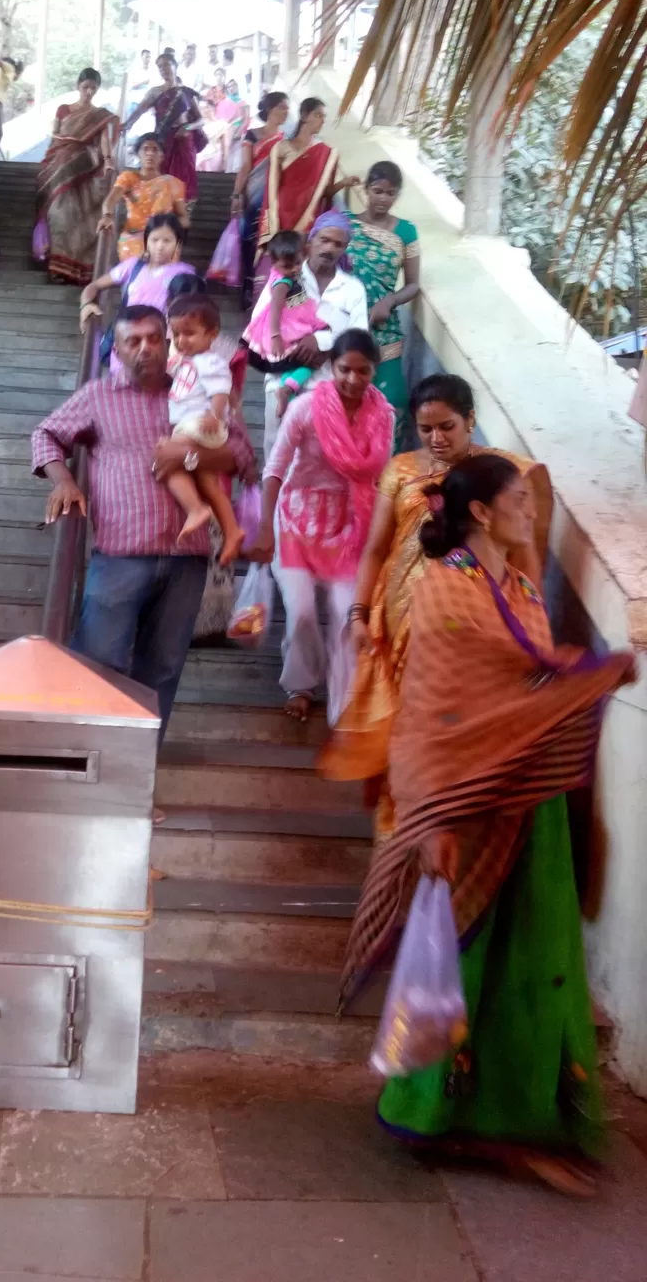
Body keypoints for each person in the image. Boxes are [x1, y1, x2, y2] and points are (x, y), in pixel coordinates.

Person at [340, 455, 633, 1197]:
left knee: (532, 967)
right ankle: (448, 1118)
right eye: (518, 501)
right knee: (472, 969)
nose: (530, 512)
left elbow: (527, 680)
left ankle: (524, 1124)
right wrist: (429, 816)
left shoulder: (521, 587)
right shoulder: (445, 589)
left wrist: (590, 673)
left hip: (528, 803)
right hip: (466, 807)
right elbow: (434, 711)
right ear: (480, 512)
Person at [319, 373, 553, 840]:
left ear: (470, 420)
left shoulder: (502, 476)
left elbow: (527, 563)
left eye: (447, 427)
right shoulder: (401, 470)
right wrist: (359, 614)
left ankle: (437, 834)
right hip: (402, 622)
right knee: (405, 725)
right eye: (426, 429)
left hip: (473, 626)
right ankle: (397, 831)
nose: (436, 439)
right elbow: (376, 549)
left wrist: (531, 636)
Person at [31, 305, 256, 739]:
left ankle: (138, 769)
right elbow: (45, 434)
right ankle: (85, 756)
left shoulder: (197, 388)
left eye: (154, 338)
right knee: (99, 660)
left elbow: (243, 456)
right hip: (121, 556)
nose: (145, 348)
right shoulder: (98, 396)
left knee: (163, 669)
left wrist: (189, 455)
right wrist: (64, 481)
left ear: (169, 343)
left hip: (187, 559)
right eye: (133, 341)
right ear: (116, 350)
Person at [252, 330, 393, 723]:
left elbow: (383, 479)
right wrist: (265, 528)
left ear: (375, 372)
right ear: (332, 367)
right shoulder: (305, 408)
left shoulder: (384, 417)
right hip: (295, 519)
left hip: (350, 523)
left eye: (363, 371)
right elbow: (275, 469)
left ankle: (345, 699)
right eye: (345, 369)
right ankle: (300, 684)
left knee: (348, 612)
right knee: (300, 613)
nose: (352, 379)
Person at [258, 211, 370, 460]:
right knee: (277, 455)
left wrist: (322, 343)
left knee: (315, 458)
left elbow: (359, 339)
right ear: (310, 241)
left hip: (327, 385)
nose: (329, 248)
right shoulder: (285, 276)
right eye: (324, 240)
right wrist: (298, 343)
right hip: (280, 379)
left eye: (338, 244)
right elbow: (261, 322)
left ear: (345, 249)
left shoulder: (353, 289)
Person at [165, 293, 245, 566]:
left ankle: (195, 509)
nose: (181, 340)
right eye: (176, 334)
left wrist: (214, 414)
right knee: (209, 484)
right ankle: (232, 531)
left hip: (197, 425)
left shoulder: (210, 361)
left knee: (167, 462)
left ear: (212, 334)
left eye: (189, 333)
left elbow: (221, 389)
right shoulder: (189, 361)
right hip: (194, 426)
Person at [346, 161, 419, 441]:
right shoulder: (347, 224)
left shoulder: (406, 232)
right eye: (377, 191)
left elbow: (413, 284)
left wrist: (389, 301)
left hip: (384, 329)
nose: (383, 199)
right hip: (347, 325)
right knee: (348, 401)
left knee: (390, 403)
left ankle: (387, 465)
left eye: (390, 193)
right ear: (366, 189)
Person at [80, 213, 195, 371]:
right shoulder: (133, 266)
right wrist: (86, 305)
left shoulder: (184, 274)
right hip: (126, 343)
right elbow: (94, 286)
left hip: (157, 347)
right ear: (146, 241)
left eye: (167, 241)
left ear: (178, 243)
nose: (160, 246)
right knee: (122, 381)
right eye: (154, 240)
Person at [35, 67, 118, 286]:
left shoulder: (99, 115)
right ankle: (57, 267)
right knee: (58, 216)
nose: (89, 92)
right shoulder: (63, 109)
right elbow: (55, 135)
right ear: (77, 86)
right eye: (85, 87)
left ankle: (77, 269)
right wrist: (52, 157)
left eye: (93, 88)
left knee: (80, 218)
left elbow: (104, 139)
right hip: (60, 162)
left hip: (84, 166)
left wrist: (108, 159)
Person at [258, 97, 356, 250]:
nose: (322, 121)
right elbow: (271, 189)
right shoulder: (281, 148)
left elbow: (325, 193)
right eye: (318, 115)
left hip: (308, 218)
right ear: (304, 116)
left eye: (324, 117)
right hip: (280, 214)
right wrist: (271, 223)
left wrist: (344, 183)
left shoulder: (327, 153)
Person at [120, 52, 206, 206]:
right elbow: (139, 111)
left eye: (167, 64)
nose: (163, 69)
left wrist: (187, 127)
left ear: (175, 66)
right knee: (162, 177)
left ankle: (184, 212)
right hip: (164, 140)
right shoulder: (155, 92)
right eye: (160, 66)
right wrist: (126, 124)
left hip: (184, 141)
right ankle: (163, 212)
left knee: (184, 180)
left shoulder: (187, 92)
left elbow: (201, 120)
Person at [232, 90, 289, 308]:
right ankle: (247, 285)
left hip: (276, 198)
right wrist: (236, 195)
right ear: (269, 109)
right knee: (247, 239)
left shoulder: (287, 140)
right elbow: (245, 166)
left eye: (287, 108)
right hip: (253, 194)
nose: (285, 112)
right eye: (281, 107)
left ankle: (267, 289)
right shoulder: (252, 135)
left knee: (270, 241)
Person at [242, 229, 325, 373]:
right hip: (286, 323)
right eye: (287, 266)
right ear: (274, 263)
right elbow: (275, 309)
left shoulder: (288, 274)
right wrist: (275, 336)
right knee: (300, 359)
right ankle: (293, 381)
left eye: (298, 263)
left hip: (296, 312)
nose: (294, 269)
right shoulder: (282, 284)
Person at [100, 133, 189, 262]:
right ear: (138, 153)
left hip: (162, 239)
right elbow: (110, 201)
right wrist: (107, 216)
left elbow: (184, 218)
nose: (150, 153)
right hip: (132, 238)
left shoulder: (172, 183)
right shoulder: (128, 178)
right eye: (145, 149)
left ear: (162, 155)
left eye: (155, 149)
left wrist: (168, 227)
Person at [217, 78, 250, 173]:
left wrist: (238, 132)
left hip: (238, 131)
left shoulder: (243, 102)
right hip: (225, 131)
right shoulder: (223, 102)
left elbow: (246, 119)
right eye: (229, 86)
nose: (231, 88)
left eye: (234, 86)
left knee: (236, 156)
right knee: (225, 154)